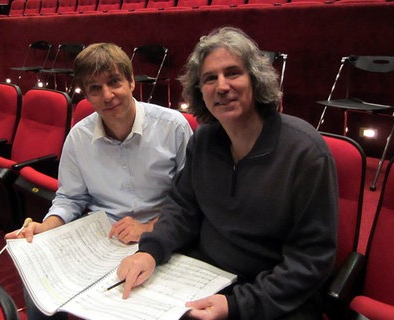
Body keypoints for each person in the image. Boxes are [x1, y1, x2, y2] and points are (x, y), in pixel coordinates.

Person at [117, 27, 338, 320]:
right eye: (210, 78)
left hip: (272, 297)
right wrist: (151, 251)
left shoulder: (305, 152)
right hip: (204, 275)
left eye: (233, 73)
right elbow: (183, 207)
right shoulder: (205, 139)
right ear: (200, 92)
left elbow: (310, 261)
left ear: (256, 80)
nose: (222, 87)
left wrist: (236, 306)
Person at [6, 43, 192, 319]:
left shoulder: (173, 127)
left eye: (115, 82)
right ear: (86, 94)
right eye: (95, 88)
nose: (108, 95)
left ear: (131, 82)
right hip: (101, 238)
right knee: (39, 288)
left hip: (162, 235)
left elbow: (192, 199)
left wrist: (150, 226)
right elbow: (70, 198)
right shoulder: (78, 137)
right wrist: (49, 225)